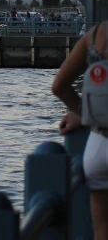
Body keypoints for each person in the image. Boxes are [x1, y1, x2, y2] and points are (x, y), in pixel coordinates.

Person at [52, 21, 108, 239]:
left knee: (101, 231)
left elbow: (59, 86)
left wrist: (87, 115)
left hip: (98, 147)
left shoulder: (95, 35)